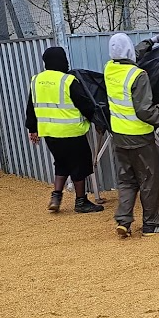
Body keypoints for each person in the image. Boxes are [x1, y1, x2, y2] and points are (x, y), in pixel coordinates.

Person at [104, 32, 159, 238]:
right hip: (140, 137)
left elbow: (129, 55)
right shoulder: (138, 76)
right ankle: (151, 224)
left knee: (127, 180)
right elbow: (144, 110)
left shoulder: (109, 69)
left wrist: (150, 42)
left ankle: (123, 221)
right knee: (149, 180)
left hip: (119, 136)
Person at [26, 45, 104, 214]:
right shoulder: (67, 81)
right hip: (72, 132)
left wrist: (33, 129)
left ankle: (56, 196)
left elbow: (30, 108)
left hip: (50, 134)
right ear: (61, 61)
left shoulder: (36, 80)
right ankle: (81, 201)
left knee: (61, 163)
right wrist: (98, 121)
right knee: (79, 165)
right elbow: (85, 104)